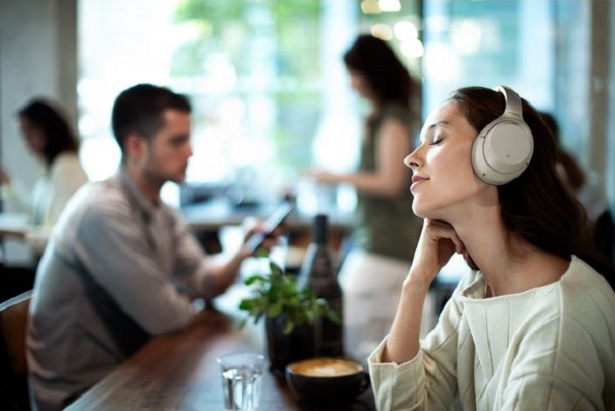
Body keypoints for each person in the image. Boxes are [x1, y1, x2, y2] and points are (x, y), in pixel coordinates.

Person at [27, 84, 277, 411]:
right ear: (135, 146)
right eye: (177, 141)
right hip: (82, 395)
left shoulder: (162, 210)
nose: (190, 152)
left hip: (133, 370)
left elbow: (203, 280)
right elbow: (164, 317)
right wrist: (185, 302)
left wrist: (241, 253)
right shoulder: (103, 211)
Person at [368, 85, 615, 410]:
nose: (411, 158)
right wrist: (416, 281)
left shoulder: (558, 327)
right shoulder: (479, 286)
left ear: (502, 152)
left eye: (437, 139)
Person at [308, 34, 423, 361]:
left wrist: (334, 177)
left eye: (355, 74)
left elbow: (389, 182)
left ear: (373, 75)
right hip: (380, 239)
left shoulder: (392, 119)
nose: (352, 84)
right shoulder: (382, 118)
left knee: (350, 325)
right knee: (374, 331)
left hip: (388, 240)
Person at [0, 98, 88, 301]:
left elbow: (61, 236)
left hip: (61, 276)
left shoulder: (66, 168)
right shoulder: (53, 168)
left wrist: (13, 234)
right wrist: (9, 184)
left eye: (28, 132)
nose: (25, 140)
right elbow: (36, 214)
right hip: (47, 268)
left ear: (45, 130)